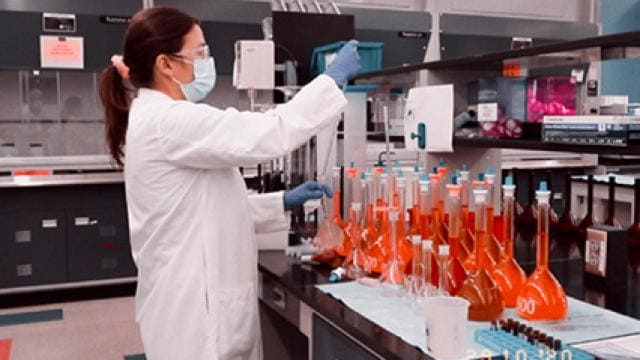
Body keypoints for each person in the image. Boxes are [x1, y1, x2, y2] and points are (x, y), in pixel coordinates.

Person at [98, 6, 361, 360]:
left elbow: (203, 210)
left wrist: (280, 202)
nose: (206, 60)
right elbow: (269, 131)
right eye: (199, 52)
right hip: (195, 320)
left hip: (191, 305)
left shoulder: (156, 117)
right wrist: (330, 82)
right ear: (165, 64)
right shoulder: (170, 121)